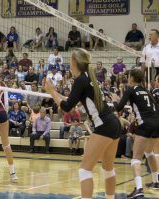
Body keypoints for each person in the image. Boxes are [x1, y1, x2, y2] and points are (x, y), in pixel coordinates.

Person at [44, 48, 122, 199]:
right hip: (114, 123)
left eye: (70, 62)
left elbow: (67, 108)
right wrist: (52, 92)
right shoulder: (90, 78)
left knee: (84, 170)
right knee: (108, 169)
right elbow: (71, 100)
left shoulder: (80, 80)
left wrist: (52, 92)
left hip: (104, 126)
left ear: (74, 62)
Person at [111, 69, 159, 197]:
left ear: (132, 78)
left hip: (145, 124)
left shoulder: (131, 89)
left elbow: (119, 107)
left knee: (136, 158)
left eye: (128, 76)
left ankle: (138, 189)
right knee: (149, 152)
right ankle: (156, 181)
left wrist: (115, 99)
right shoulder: (147, 91)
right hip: (157, 122)